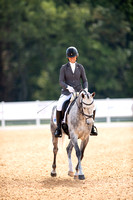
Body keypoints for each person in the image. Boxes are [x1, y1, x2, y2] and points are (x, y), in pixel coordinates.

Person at [54, 46, 98, 137]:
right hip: (67, 93)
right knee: (59, 105)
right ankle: (58, 128)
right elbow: (61, 81)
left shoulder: (80, 67)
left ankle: (92, 126)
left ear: (76, 56)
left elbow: (85, 80)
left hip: (79, 92)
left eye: (73, 57)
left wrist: (85, 89)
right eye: (70, 57)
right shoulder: (64, 68)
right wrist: (67, 87)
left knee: (93, 105)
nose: (72, 58)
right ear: (68, 58)